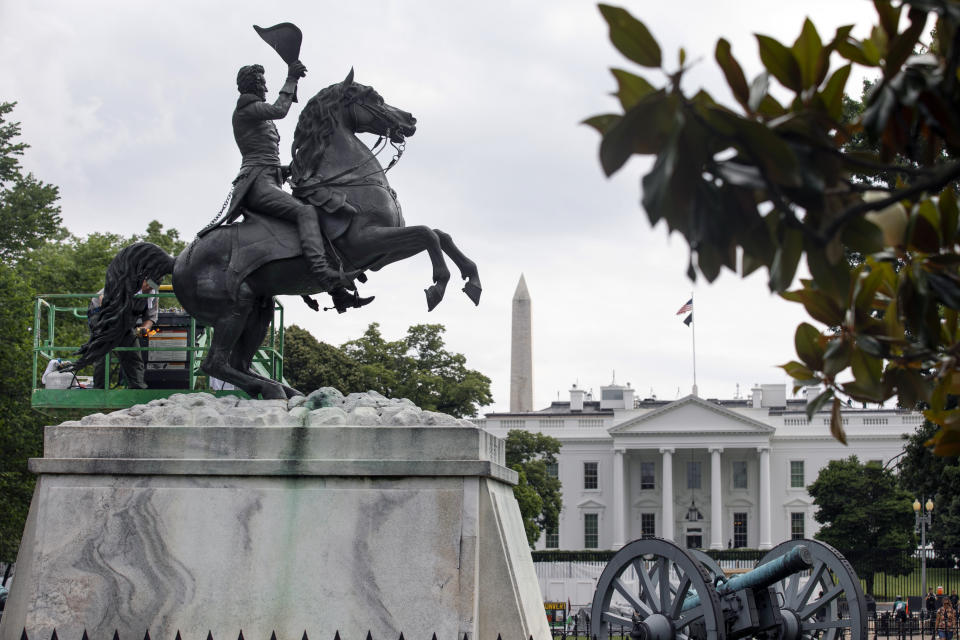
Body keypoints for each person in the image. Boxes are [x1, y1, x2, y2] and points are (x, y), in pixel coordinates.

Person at [223, 60, 371, 314]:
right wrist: (291, 78)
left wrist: (291, 168)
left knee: (311, 210)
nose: (266, 86)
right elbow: (280, 110)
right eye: (262, 82)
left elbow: (267, 158)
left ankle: (338, 293)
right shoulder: (247, 108)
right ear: (253, 85)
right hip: (256, 183)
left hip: (269, 178)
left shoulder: (254, 112)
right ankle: (324, 274)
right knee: (305, 212)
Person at [90, 279, 157, 389]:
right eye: (147, 284)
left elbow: (150, 317)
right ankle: (99, 389)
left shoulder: (153, 294)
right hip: (101, 313)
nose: (149, 288)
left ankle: (137, 388)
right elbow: (103, 298)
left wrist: (144, 328)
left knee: (132, 350)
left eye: (152, 286)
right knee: (102, 349)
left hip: (125, 320)